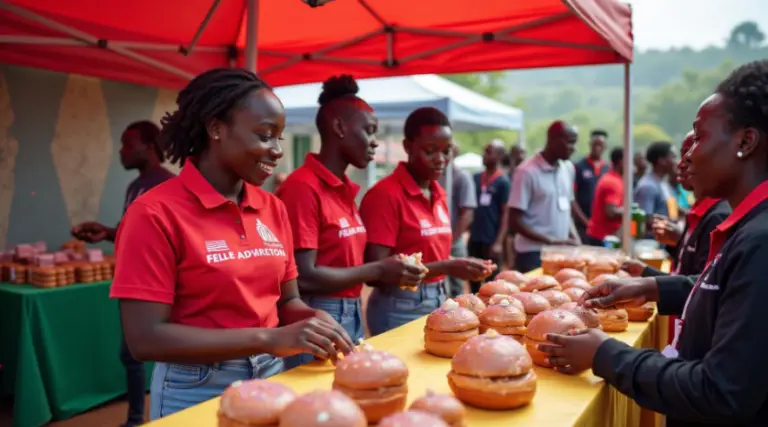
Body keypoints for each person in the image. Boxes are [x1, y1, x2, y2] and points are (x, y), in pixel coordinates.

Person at [109, 68, 355, 420]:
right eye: (265, 135)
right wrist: (268, 339)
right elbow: (145, 339)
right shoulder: (153, 213)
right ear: (215, 128)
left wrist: (314, 320)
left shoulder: (272, 208)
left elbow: (287, 300)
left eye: (280, 138)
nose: (276, 151)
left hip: (272, 377)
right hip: (197, 387)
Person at [539, 59, 768, 427]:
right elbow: (725, 290)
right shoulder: (749, 230)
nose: (689, 155)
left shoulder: (760, 241)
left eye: (701, 136)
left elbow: (721, 391)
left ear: (745, 141)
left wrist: (606, 355)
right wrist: (650, 286)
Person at [276, 75, 424, 367]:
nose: (374, 142)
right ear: (339, 127)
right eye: (369, 131)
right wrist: (380, 268)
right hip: (317, 315)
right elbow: (304, 274)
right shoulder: (303, 187)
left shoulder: (343, 188)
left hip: (350, 310)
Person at [71, 120, 175, 427]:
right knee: (130, 355)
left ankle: (153, 417)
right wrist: (107, 232)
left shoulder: (165, 185)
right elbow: (135, 232)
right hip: (133, 282)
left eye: (128, 144)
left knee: (150, 353)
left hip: (155, 285)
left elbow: (166, 239)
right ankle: (134, 419)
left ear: (149, 146)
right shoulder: (135, 186)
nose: (122, 151)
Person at [360, 107, 490, 335]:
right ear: (407, 147)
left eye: (447, 151)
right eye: (430, 151)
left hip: (439, 296)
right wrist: (448, 266)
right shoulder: (386, 195)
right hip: (401, 306)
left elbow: (427, 253)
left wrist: (461, 265)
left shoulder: (437, 192)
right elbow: (377, 273)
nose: (440, 159)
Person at [507, 121, 580, 273]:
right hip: (533, 254)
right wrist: (551, 241)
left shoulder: (568, 169)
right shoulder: (526, 172)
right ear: (553, 140)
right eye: (571, 143)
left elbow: (566, 209)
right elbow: (514, 220)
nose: (574, 149)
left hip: (561, 253)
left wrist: (575, 239)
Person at [467, 139, 509, 292]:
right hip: (475, 237)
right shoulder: (476, 178)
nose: (484, 155)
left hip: (491, 239)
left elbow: (506, 214)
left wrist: (498, 242)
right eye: (484, 151)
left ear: (499, 155)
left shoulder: (503, 182)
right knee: (472, 277)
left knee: (492, 282)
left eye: (488, 151)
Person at [437, 142, 477, 297]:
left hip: (454, 240)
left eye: (447, 151)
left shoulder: (461, 176)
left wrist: (451, 240)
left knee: (456, 287)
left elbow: (467, 214)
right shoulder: (435, 176)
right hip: (437, 241)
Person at [573, 130, 609, 241]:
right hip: (583, 226)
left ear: (605, 147)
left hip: (603, 228)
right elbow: (572, 198)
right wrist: (585, 222)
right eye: (595, 144)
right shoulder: (579, 166)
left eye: (601, 145)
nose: (597, 148)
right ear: (590, 145)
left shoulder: (608, 168)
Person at [585, 147, 625, 246]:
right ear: (621, 162)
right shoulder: (613, 182)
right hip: (602, 239)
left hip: (604, 237)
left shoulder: (614, 179)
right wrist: (630, 210)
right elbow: (611, 212)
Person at [504, 144, 526, 269]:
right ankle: (510, 264)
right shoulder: (508, 175)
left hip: (522, 216)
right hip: (510, 214)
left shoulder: (527, 172)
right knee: (509, 239)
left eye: (522, 152)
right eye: (517, 153)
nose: (520, 156)